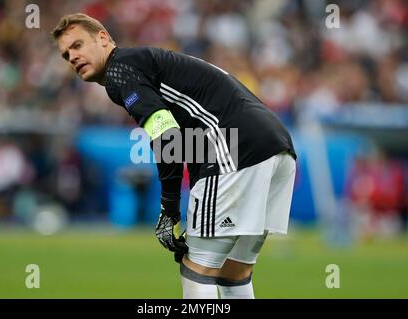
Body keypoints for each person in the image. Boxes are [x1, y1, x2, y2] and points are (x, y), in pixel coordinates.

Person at [51, 13, 297, 299]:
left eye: (78, 45)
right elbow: (189, 137)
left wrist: (169, 210)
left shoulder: (121, 69)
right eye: (66, 54)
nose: (72, 57)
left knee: (197, 271)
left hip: (234, 148)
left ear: (103, 38)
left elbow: (167, 136)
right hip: (276, 148)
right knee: (234, 272)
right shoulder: (148, 63)